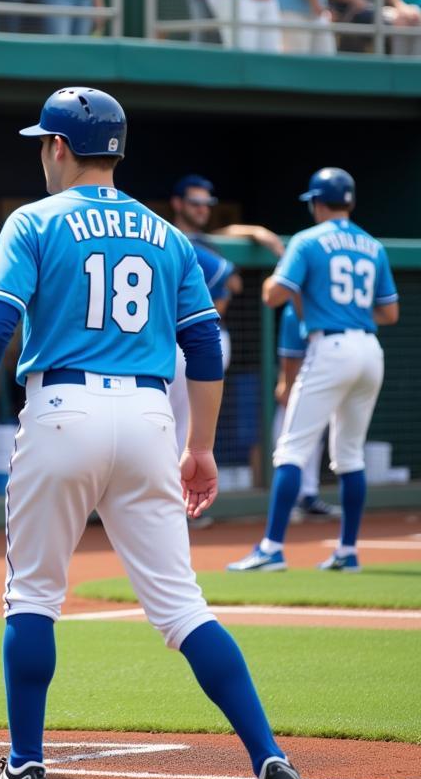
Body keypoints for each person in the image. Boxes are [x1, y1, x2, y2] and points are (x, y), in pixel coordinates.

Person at [0, 87, 318, 779]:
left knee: (33, 598)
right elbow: (204, 343)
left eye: (42, 144)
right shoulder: (163, 232)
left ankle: (25, 769)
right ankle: (271, 759)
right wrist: (199, 445)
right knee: (182, 608)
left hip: (61, 410)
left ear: (58, 147)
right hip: (149, 416)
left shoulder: (35, 219)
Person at [229, 168, 398, 573]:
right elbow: (390, 312)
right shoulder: (373, 245)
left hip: (331, 346)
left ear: (317, 204)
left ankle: (271, 547)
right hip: (369, 347)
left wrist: (310, 296)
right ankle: (348, 551)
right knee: (350, 455)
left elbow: (273, 295)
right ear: (351, 202)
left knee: (291, 448)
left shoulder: (308, 240)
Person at [166, 174, 284, 456]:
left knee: (186, 427)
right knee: (172, 424)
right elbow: (233, 280)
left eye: (207, 203)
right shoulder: (171, 238)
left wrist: (252, 230)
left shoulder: (203, 240)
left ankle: (176, 492)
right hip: (176, 340)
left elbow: (220, 245)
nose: (202, 208)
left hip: (201, 340)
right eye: (195, 203)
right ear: (178, 204)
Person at [274, 303, 340, 522]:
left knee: (316, 440)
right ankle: (290, 502)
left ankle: (308, 496)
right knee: (288, 444)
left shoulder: (325, 309)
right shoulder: (294, 310)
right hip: (299, 386)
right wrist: (286, 384)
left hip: (320, 384)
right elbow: (290, 356)